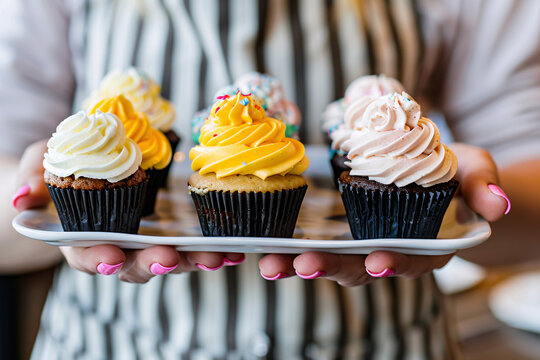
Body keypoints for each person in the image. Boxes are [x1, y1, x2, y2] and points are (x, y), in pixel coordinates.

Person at [2, 0, 538, 358]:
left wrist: (465, 197)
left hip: (386, 341)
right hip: (111, 343)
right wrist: (35, 200)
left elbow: (526, 161)